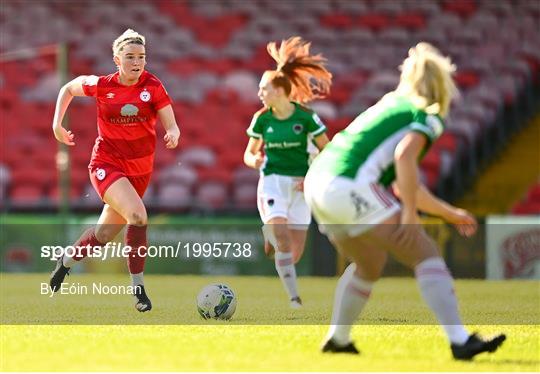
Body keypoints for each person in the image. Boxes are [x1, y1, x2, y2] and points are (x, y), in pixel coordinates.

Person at [304, 43, 506, 359]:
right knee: (424, 251)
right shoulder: (426, 114)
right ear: (442, 86)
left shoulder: (390, 105)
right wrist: (410, 215)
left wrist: (449, 213)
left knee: (369, 264)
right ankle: (460, 340)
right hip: (347, 184)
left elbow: (403, 181)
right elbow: (405, 159)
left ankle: (338, 339)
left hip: (318, 183)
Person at [49, 29, 180, 312]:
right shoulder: (102, 85)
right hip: (106, 165)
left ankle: (65, 261)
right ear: (116, 60)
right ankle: (139, 290)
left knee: (104, 235)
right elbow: (68, 88)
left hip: (140, 172)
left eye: (142, 57)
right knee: (138, 216)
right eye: (130, 57)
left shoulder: (153, 86)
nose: (137, 62)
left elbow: (170, 120)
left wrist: (173, 130)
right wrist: (57, 124)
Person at [243, 36, 332, 308]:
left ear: (279, 90)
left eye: (263, 88)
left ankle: (270, 234)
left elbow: (327, 151)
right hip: (272, 183)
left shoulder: (305, 118)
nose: (260, 93)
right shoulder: (262, 119)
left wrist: (312, 177)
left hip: (301, 187)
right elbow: (248, 153)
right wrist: (255, 161)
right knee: (281, 238)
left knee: (294, 252)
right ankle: (294, 298)